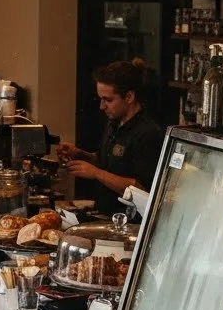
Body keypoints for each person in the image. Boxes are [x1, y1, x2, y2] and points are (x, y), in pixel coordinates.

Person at [58, 59, 166, 215]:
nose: (101, 106)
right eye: (100, 99)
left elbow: (141, 188)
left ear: (129, 97)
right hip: (104, 213)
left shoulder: (148, 133)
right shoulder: (113, 123)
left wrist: (95, 173)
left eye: (108, 100)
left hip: (128, 220)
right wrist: (80, 154)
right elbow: (108, 163)